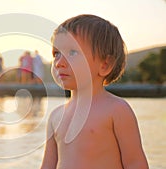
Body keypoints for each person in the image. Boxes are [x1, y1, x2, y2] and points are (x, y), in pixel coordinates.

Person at [40, 14, 148, 169]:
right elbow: (48, 166)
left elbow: (135, 163)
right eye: (56, 54)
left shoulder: (116, 110)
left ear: (105, 65)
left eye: (72, 52)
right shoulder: (56, 116)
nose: (59, 63)